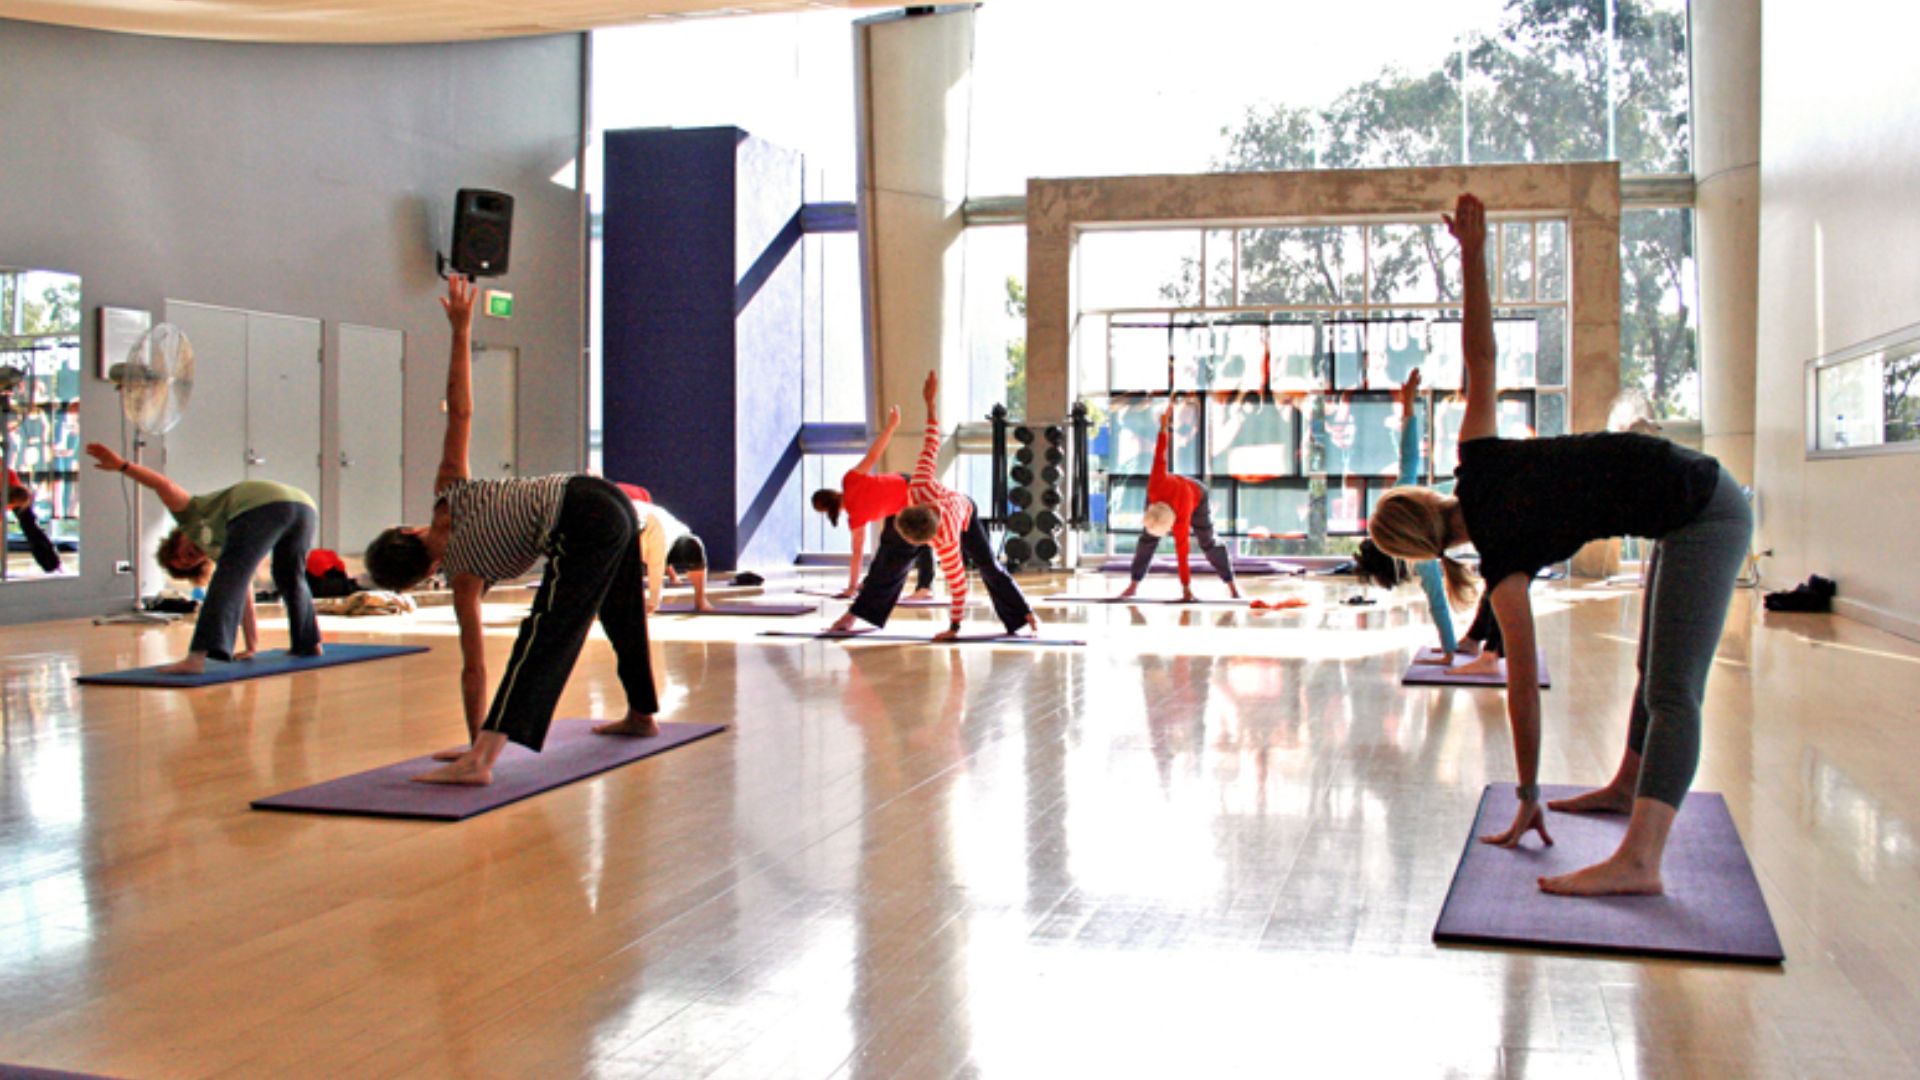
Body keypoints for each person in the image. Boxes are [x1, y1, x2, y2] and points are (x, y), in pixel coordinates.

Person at [1368, 193, 1751, 897]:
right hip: (1688, 504)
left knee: (1673, 692)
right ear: (1425, 501)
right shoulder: (1476, 460)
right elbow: (1480, 354)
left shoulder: (1502, 568)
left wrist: (1528, 791)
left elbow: (1522, 691)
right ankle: (1626, 787)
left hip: (1708, 511)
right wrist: (1473, 256)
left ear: (1421, 551)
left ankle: (1641, 861)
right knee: (1650, 668)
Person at [362, 276, 658, 786]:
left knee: (546, 634)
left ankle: (482, 761)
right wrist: (461, 330)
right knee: (620, 609)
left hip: (582, 517)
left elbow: (472, 667)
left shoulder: (463, 578)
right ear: (405, 531)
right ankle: (641, 714)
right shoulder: (447, 496)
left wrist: (474, 737)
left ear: (424, 573)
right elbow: (460, 408)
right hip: (600, 495)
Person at [827, 371, 1039, 641]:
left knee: (987, 565)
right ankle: (855, 614)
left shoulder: (947, 542)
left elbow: (958, 586)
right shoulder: (919, 485)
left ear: (930, 542)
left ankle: (1025, 614)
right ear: (907, 509)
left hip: (964, 513)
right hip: (931, 507)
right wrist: (929, 403)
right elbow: (931, 441)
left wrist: (953, 628)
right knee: (890, 554)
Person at [82, 445, 322, 674]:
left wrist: (122, 465)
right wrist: (252, 646)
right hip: (303, 507)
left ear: (177, 539)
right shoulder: (220, 549)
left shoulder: (189, 514)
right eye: (188, 564)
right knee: (289, 576)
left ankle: (197, 657)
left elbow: (161, 484)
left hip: (264, 505)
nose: (188, 558)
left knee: (230, 580)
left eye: (180, 554)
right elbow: (244, 596)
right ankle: (309, 643)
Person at [1352, 368, 1504, 673]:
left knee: (1502, 577)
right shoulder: (1405, 510)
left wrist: (1449, 653)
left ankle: (1488, 650)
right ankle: (1477, 643)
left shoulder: (1417, 546)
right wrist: (1408, 406)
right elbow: (1409, 456)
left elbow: (1437, 600)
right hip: (1484, 495)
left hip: (1488, 502)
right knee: (1499, 575)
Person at [809, 410, 936, 603]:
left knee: (920, 537)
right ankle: (872, 583)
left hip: (910, 492)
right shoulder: (849, 480)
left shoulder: (855, 517)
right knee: (890, 541)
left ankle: (925, 586)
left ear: (828, 511)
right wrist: (891, 426)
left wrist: (851, 587)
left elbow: (857, 554)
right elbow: (874, 454)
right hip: (902, 491)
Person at [1118, 404, 1241, 603]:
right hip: (1164, 494)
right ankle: (1133, 585)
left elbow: (1182, 553)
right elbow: (1160, 453)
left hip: (1195, 495)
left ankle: (1232, 586)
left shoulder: (1181, 518)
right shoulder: (1155, 486)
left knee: (1207, 541)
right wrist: (1163, 426)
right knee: (1147, 538)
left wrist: (1186, 588)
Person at [614, 483, 715, 614]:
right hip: (638, 541)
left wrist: (653, 604)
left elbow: (656, 565)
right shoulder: (618, 514)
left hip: (672, 540)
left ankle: (700, 600)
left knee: (694, 547)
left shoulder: (656, 527)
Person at [7, 468, 63, 574]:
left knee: (30, 526)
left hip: (12, 488)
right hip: (9, 491)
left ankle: (52, 563)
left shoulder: (10, 476)